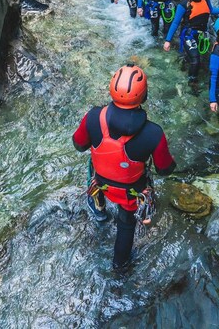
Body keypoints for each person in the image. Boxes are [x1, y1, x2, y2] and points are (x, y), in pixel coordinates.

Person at [72, 64, 177, 269]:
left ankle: (100, 210)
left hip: (101, 182)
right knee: (126, 224)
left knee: (92, 162)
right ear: (143, 96)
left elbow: (79, 144)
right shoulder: (154, 133)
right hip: (131, 191)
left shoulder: (93, 116)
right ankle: (119, 266)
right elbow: (164, 169)